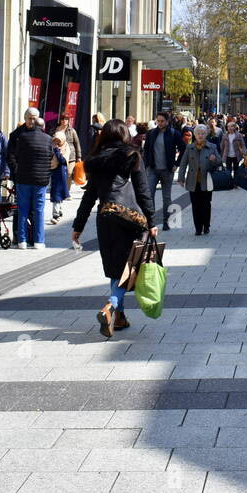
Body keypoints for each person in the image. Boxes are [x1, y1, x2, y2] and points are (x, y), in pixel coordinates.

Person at [72, 121, 156, 339]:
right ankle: (111, 306)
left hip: (105, 217)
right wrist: (152, 220)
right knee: (130, 268)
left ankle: (118, 317)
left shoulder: (95, 160)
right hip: (130, 218)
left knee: (114, 267)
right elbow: (142, 189)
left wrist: (78, 227)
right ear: (124, 134)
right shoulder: (132, 155)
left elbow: (89, 196)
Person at [7, 107, 54, 249]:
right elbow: (11, 155)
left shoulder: (42, 136)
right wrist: (16, 170)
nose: (32, 121)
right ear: (25, 118)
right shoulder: (16, 135)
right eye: (30, 118)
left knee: (32, 210)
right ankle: (20, 238)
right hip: (22, 178)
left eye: (34, 119)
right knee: (22, 210)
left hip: (30, 178)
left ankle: (34, 240)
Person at [177, 125, 222, 234]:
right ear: (195, 135)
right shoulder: (190, 147)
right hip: (193, 181)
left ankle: (206, 225)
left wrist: (214, 159)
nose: (200, 136)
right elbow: (183, 164)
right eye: (198, 134)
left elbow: (220, 162)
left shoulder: (212, 147)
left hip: (207, 181)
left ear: (206, 135)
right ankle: (198, 227)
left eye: (203, 133)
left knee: (206, 204)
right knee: (195, 205)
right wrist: (181, 178)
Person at [142, 112, 182, 230]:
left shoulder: (174, 133)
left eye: (162, 121)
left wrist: (176, 164)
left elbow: (183, 149)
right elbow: (146, 150)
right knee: (149, 195)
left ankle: (166, 221)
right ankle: (151, 222)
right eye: (158, 121)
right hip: (153, 169)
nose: (159, 123)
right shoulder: (151, 133)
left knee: (166, 197)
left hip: (167, 170)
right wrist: (146, 165)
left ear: (167, 121)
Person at [49, 134, 70, 223]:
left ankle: (55, 214)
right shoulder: (51, 147)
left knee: (57, 193)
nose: (56, 143)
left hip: (61, 173)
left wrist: (57, 150)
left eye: (59, 141)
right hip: (54, 172)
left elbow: (63, 160)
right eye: (55, 141)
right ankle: (59, 211)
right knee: (57, 193)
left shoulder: (65, 148)